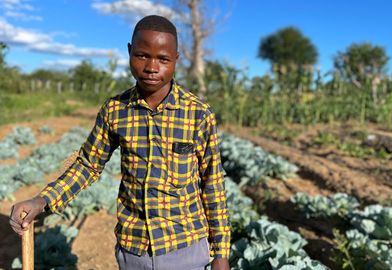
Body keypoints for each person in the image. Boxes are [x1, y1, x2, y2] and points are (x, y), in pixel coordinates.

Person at [9, 15, 231, 270]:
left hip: (186, 247)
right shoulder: (116, 110)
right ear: (129, 52)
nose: (151, 67)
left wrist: (221, 254)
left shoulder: (198, 113)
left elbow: (212, 183)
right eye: (142, 55)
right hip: (133, 248)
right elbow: (88, 165)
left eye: (163, 59)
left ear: (176, 60)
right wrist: (42, 201)